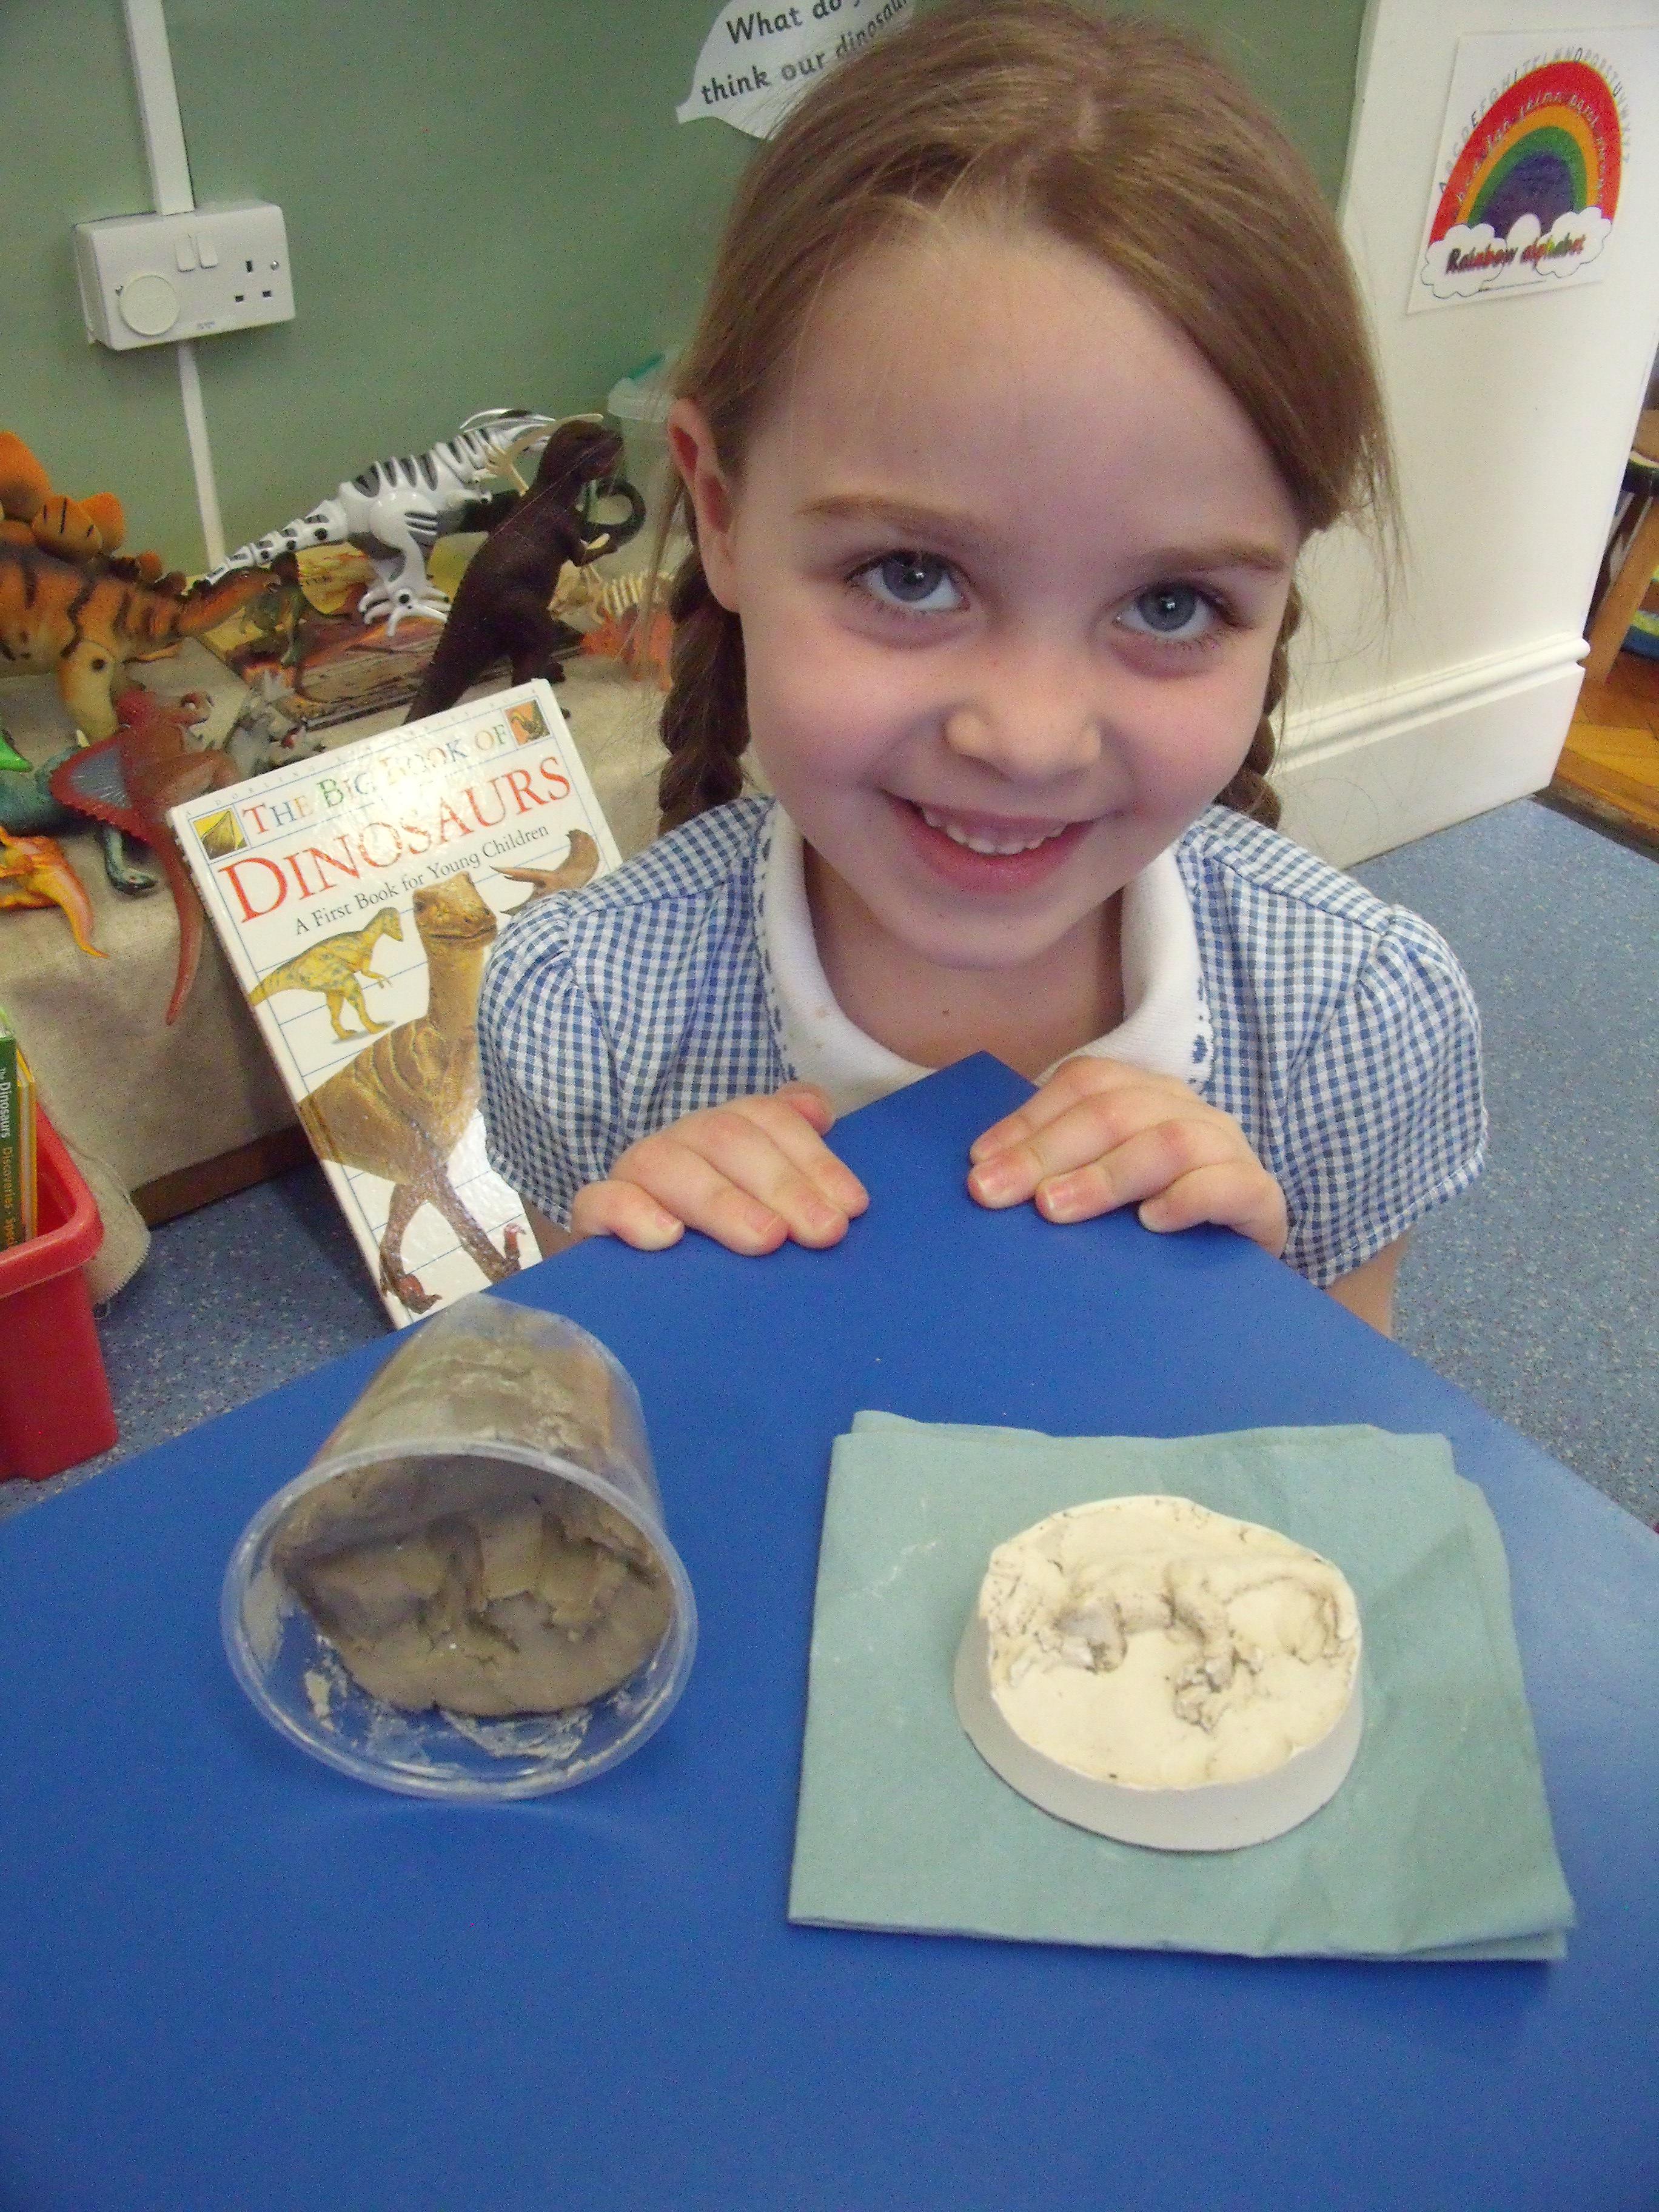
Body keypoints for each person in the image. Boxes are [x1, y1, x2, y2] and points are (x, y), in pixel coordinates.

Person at [479, 0, 1483, 1337]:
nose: (1029, 736)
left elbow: (1355, 1450)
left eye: (1172, 603)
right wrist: (650, 1313)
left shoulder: (1352, 1023)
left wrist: (1250, 1340)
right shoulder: (587, 1018)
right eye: (911, 575)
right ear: (720, 513)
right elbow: (576, 1435)